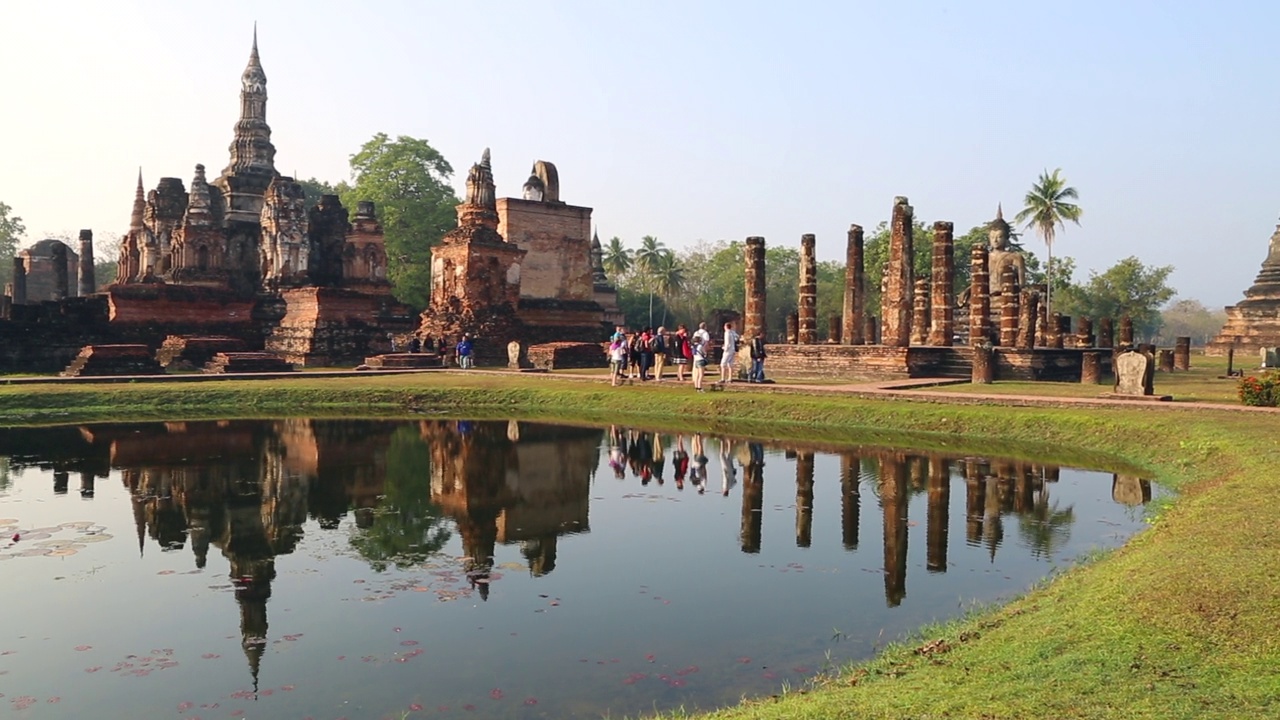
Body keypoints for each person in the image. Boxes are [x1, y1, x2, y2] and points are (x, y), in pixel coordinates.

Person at [691, 322, 712, 392]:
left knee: (696, 373)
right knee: (701, 375)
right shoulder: (705, 334)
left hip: (696, 358)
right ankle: (700, 387)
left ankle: (696, 385)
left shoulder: (695, 333)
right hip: (701, 359)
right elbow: (706, 345)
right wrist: (706, 352)